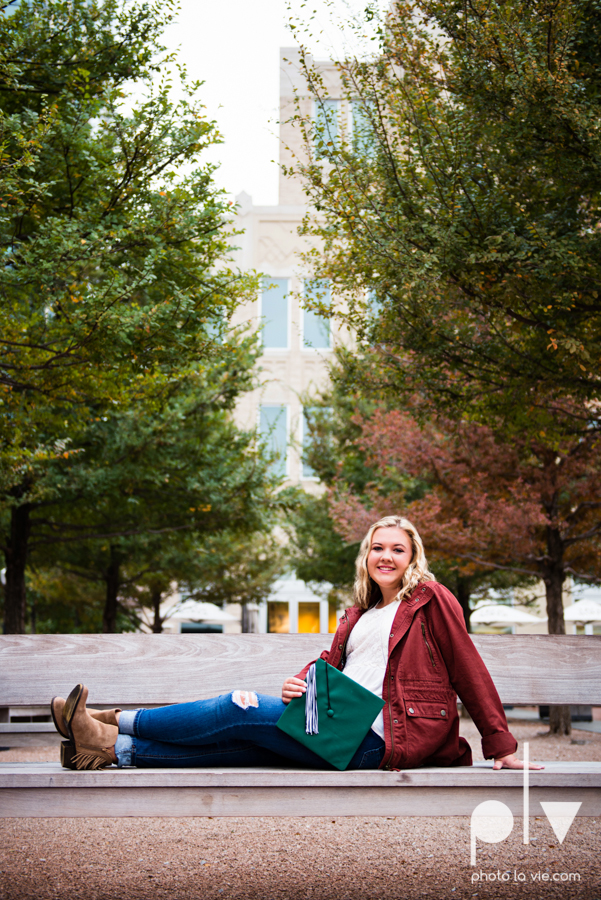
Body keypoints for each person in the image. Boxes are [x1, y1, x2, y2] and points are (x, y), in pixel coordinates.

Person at [51, 516, 543, 772]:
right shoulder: (362, 613)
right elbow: (336, 668)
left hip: (381, 739)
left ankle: (106, 722)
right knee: (241, 744)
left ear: (412, 557)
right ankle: (110, 752)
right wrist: (303, 679)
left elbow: (468, 668)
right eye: (378, 547)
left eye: (398, 548)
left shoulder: (429, 599)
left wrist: (500, 745)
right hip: (339, 725)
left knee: (236, 706)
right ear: (365, 556)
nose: (386, 556)